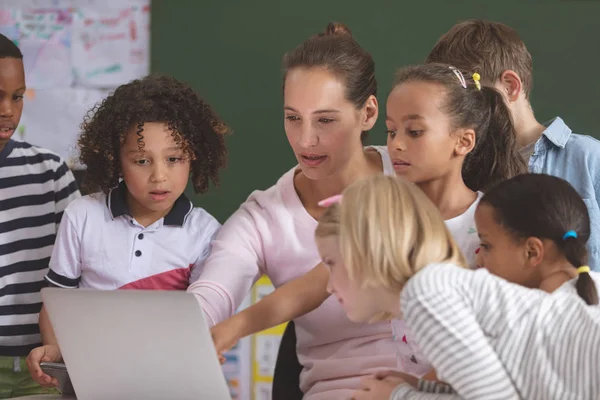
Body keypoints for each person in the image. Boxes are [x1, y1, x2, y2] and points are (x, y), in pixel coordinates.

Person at [211, 62, 527, 379]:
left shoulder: (492, 224)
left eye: (414, 132)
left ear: (464, 141)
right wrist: (234, 328)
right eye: (391, 131)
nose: (397, 144)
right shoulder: (384, 214)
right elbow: (308, 289)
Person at [187, 22, 397, 399]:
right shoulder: (264, 217)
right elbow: (213, 291)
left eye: (325, 120)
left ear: (368, 113)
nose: (305, 140)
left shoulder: (413, 176)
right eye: (293, 117)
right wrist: (197, 329)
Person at [25, 74, 228, 388]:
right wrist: (55, 350)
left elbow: (201, 324)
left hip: (166, 382)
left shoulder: (205, 234)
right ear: (117, 160)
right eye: (141, 160)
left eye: (174, 158)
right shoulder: (83, 216)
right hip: (90, 381)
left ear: (194, 156)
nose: (159, 176)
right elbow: (55, 303)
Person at [343, 174, 599, 399]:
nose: (477, 259)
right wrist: (421, 387)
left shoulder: (522, 321)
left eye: (486, 245)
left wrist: (399, 396)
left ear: (532, 251)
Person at [426, 19, 600, 270]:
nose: (456, 113)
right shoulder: (461, 170)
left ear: (510, 86)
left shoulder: (588, 160)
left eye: (465, 98)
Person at [0, 33, 80, 398]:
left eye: (17, 97)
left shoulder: (50, 173)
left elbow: (80, 273)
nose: (8, 110)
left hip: (43, 369)